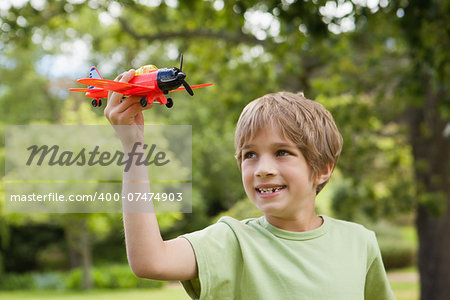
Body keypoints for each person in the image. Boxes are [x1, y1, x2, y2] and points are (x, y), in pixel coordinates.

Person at [105, 69, 395, 300]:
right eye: (250, 155)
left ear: (322, 169)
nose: (263, 169)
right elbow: (149, 261)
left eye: (282, 152)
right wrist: (133, 147)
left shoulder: (360, 242)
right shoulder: (231, 242)